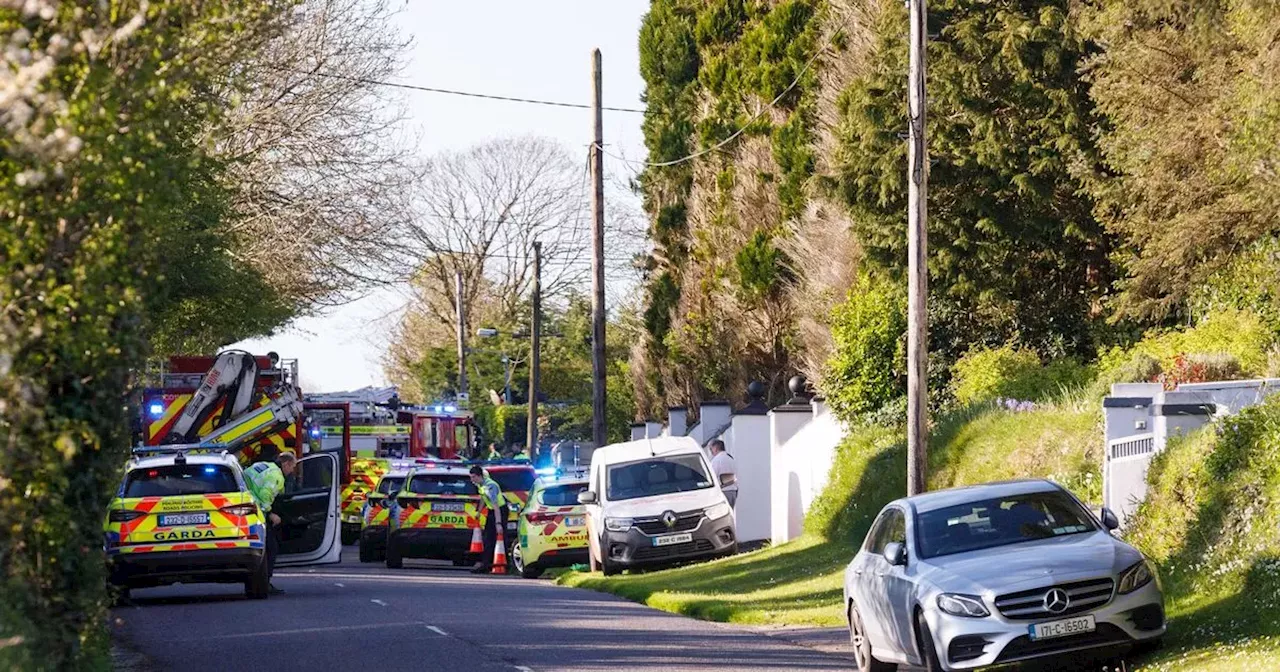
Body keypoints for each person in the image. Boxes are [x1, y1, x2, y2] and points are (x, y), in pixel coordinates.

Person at [244, 451, 298, 594]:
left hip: (245, 507)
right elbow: (265, 494)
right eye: (292, 467)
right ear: (286, 464)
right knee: (271, 548)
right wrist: (270, 514)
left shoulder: (263, 465)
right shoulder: (277, 476)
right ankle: (263, 582)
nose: (292, 471)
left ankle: (257, 582)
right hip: (257, 511)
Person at [468, 465, 509, 574]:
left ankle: (504, 565)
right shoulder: (480, 485)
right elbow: (483, 498)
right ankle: (487, 564)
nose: (471, 480)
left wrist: (498, 523)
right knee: (487, 538)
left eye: (473, 477)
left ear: (479, 476)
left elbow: (496, 505)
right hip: (492, 511)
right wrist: (479, 511)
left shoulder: (490, 486)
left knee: (500, 536)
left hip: (500, 511)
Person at [708, 439, 738, 509]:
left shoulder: (716, 461)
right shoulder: (731, 459)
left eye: (711, 448)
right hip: (733, 492)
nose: (711, 451)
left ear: (715, 447)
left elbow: (712, 477)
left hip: (723, 492)